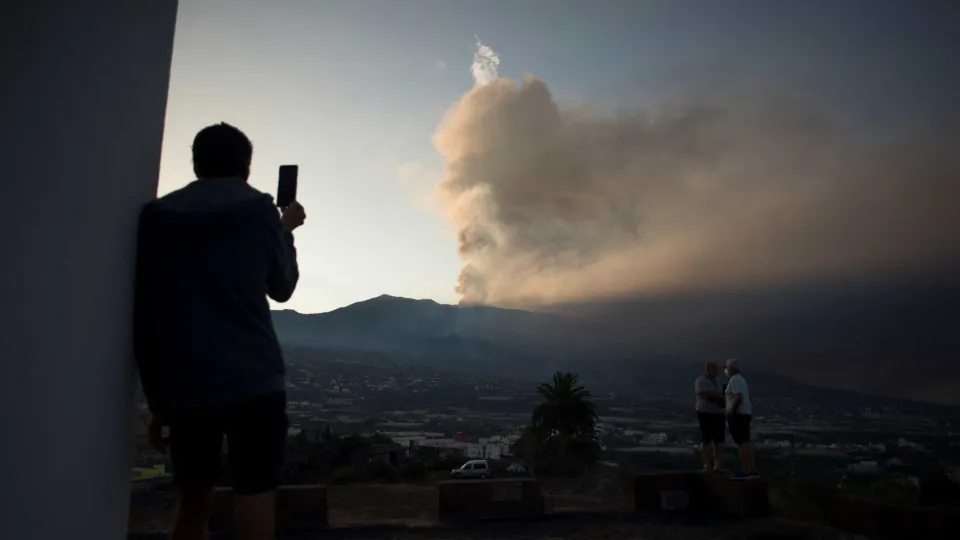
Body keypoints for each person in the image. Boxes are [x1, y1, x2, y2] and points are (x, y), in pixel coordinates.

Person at [134, 123, 306, 540]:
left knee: (193, 503)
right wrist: (286, 233)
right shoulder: (260, 211)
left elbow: (147, 313)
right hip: (255, 379)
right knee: (255, 498)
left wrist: (159, 400)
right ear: (247, 167)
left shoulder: (157, 217)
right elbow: (281, 287)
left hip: (188, 383)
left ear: (196, 163)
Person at [724, 358, 757, 478]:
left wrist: (732, 412)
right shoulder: (741, 379)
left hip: (738, 415)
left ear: (731, 368)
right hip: (745, 414)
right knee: (746, 442)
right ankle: (751, 470)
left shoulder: (734, 380)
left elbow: (738, 397)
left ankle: (745, 471)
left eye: (726, 367)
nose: (725, 370)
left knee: (742, 443)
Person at [694, 361, 726, 472]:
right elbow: (707, 395)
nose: (716, 371)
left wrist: (721, 398)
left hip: (719, 413)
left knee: (719, 440)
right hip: (705, 413)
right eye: (714, 369)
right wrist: (720, 397)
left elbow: (723, 395)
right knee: (706, 440)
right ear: (708, 370)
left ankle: (717, 465)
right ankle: (707, 465)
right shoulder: (701, 381)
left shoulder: (718, 381)